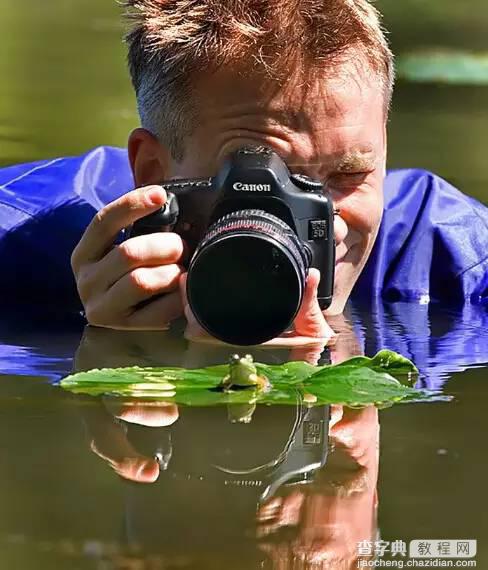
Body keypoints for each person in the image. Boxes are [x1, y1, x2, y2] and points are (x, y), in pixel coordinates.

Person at [0, 0, 487, 345]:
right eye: (269, 179)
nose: (331, 222)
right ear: (153, 172)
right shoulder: (17, 248)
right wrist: (111, 350)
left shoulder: (458, 266)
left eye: (349, 174)